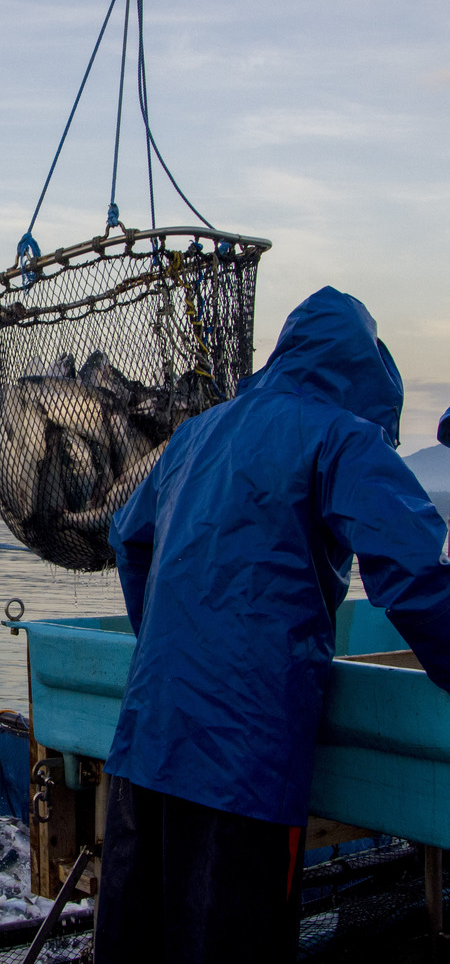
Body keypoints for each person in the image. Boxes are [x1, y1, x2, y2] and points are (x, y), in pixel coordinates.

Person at [93, 287, 450, 964]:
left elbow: (128, 538)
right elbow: (416, 573)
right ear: (369, 381)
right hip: (243, 767)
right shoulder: (339, 435)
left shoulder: (196, 435)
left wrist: (170, 646)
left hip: (146, 747)